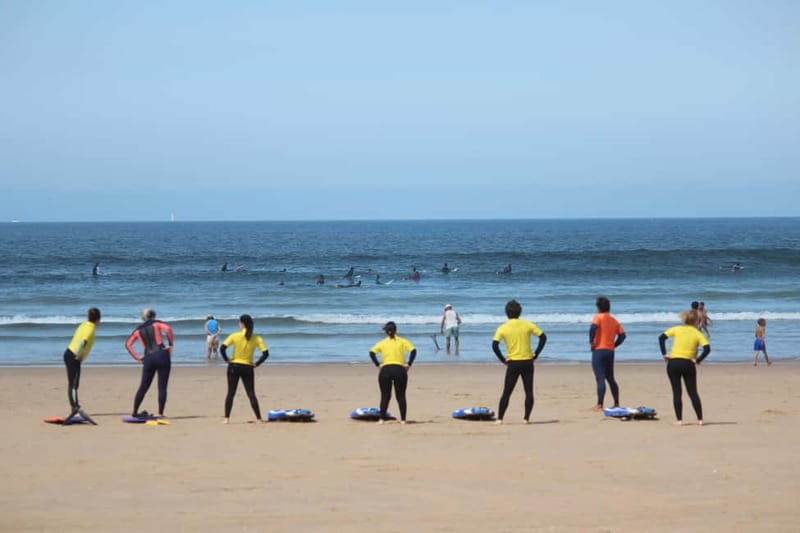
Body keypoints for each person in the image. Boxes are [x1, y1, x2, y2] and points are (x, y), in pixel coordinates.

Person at [492, 300, 547, 424]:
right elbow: (543, 337)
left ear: (506, 313)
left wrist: (502, 359)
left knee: (507, 392)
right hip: (528, 361)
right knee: (528, 391)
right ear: (520, 312)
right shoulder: (527, 325)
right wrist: (536, 353)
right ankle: (526, 419)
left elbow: (495, 345)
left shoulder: (503, 328)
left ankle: (500, 419)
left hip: (513, 363)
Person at [658, 310, 710, 426]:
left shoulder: (676, 329)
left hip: (673, 363)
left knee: (677, 392)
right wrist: (698, 360)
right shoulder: (697, 333)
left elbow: (661, 338)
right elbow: (707, 348)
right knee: (692, 392)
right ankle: (700, 419)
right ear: (696, 321)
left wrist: (664, 354)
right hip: (688, 363)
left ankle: (679, 420)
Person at [220, 314, 269, 423]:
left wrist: (227, 359)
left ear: (242, 324)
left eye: (239, 322)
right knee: (251, 394)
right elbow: (265, 353)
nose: (239, 324)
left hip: (234, 366)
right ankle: (259, 418)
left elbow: (222, 348)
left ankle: (226, 419)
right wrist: (257, 364)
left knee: (231, 393)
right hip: (248, 367)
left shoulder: (235, 336)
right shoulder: (256, 338)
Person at [126, 308, 174, 418]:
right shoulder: (157, 324)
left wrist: (137, 358)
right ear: (154, 316)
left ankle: (135, 411)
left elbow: (128, 344)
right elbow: (168, 329)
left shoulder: (137, 330)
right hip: (162, 355)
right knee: (162, 386)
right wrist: (170, 345)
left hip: (148, 358)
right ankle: (161, 413)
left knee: (143, 386)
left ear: (143, 318)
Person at [369, 321, 416, 424]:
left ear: (386, 331)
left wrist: (378, 365)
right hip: (400, 370)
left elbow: (371, 353)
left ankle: (381, 419)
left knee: (385, 395)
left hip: (385, 370)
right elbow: (413, 350)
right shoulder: (403, 341)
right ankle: (403, 420)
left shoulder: (382, 342)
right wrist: (409, 364)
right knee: (401, 396)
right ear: (396, 330)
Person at [63, 307, 101, 422]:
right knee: (73, 385)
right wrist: (78, 355)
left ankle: (75, 407)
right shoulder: (90, 330)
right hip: (73, 357)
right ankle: (75, 408)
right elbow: (83, 342)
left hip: (69, 354)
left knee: (74, 384)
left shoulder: (84, 325)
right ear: (98, 319)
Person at [589, 297, 626, 411]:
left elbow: (593, 328)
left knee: (600, 377)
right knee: (610, 378)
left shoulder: (598, 317)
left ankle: (600, 404)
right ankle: (616, 403)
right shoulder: (613, 320)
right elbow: (623, 335)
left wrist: (591, 342)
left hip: (599, 350)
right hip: (610, 351)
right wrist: (614, 345)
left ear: (598, 307)